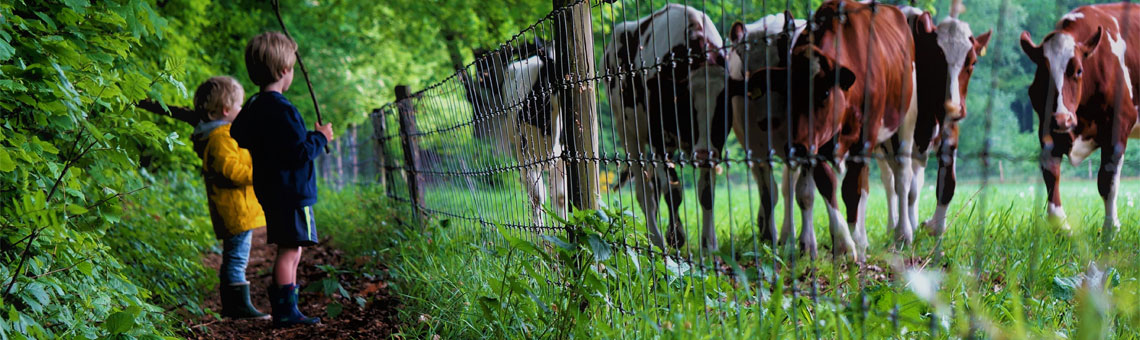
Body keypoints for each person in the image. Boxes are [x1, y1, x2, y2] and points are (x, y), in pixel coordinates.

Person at [230, 31, 333, 328]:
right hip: (292, 192)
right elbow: (299, 153)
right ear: (285, 71)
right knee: (291, 250)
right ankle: (286, 311)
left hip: (271, 190)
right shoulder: (283, 109)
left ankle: (284, 307)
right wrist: (319, 136)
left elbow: (238, 133)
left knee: (288, 247)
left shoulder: (253, 106)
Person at [190, 76, 270, 320]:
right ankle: (237, 305)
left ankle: (234, 303)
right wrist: (260, 174)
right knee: (236, 257)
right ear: (226, 110)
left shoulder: (223, 134)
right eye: (239, 105)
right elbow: (231, 171)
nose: (241, 109)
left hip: (234, 207)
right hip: (234, 209)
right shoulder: (220, 138)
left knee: (236, 254)